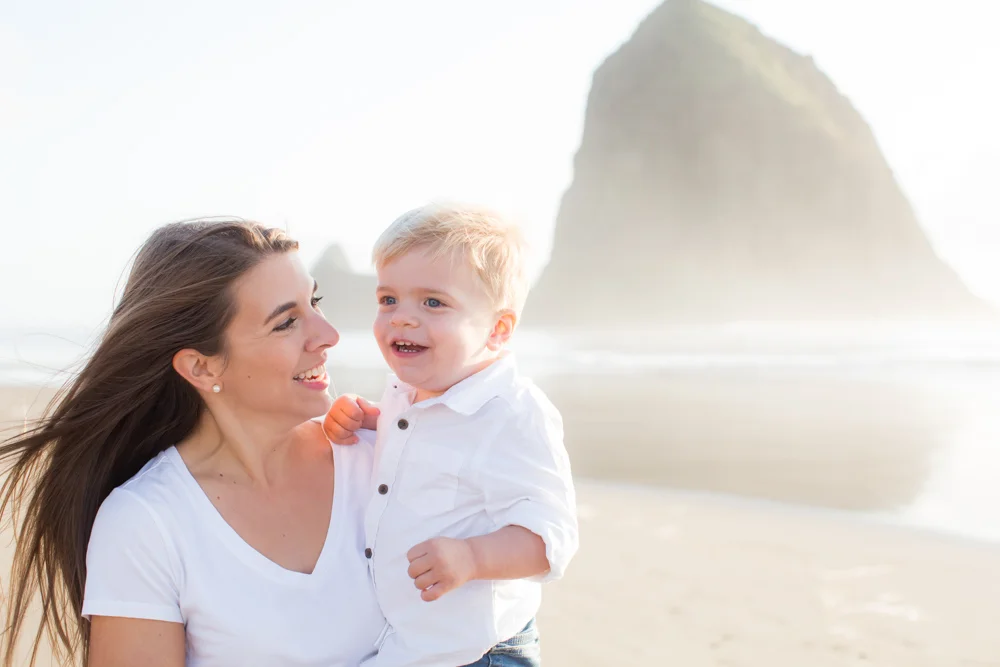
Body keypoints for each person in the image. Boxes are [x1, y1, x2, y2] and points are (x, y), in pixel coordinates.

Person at [0, 219, 385, 667]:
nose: (328, 335)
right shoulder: (147, 523)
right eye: (286, 323)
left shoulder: (383, 454)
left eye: (314, 302)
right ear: (202, 368)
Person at [325, 203, 579, 667]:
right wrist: (369, 419)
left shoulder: (513, 414)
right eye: (388, 300)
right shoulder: (411, 393)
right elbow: (435, 443)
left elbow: (552, 538)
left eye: (433, 302)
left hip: (478, 653)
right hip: (408, 642)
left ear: (498, 330)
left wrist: (472, 557)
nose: (401, 317)